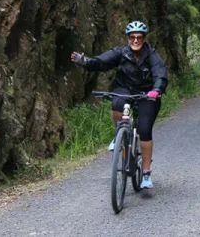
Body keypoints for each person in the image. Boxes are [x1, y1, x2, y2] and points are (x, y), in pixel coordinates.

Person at [71, 20, 168, 189]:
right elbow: (101, 62)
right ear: (128, 39)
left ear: (144, 39)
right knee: (117, 103)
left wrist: (157, 89)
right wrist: (84, 61)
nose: (136, 40)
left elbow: (160, 74)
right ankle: (120, 134)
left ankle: (145, 173)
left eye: (139, 37)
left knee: (144, 130)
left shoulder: (152, 55)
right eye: (132, 37)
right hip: (125, 88)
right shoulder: (121, 53)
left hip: (147, 93)